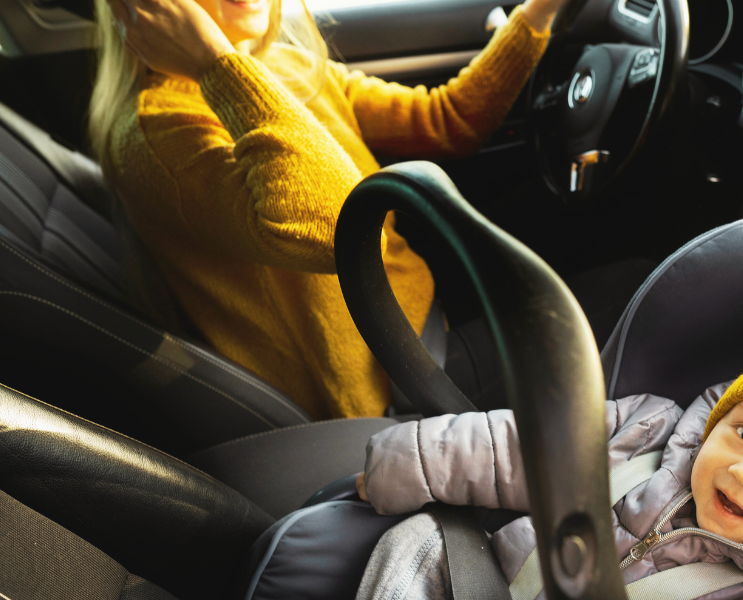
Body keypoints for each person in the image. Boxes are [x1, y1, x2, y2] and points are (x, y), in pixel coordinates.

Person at [88, 0, 571, 419]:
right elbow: (333, 228)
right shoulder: (158, 130)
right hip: (394, 378)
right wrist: (215, 62)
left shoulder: (283, 63)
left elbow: (449, 120)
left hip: (414, 312)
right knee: (631, 290)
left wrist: (539, 11)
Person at [352, 298, 743, 599]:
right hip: (502, 584)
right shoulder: (648, 432)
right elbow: (519, 448)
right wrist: (410, 460)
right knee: (419, 541)